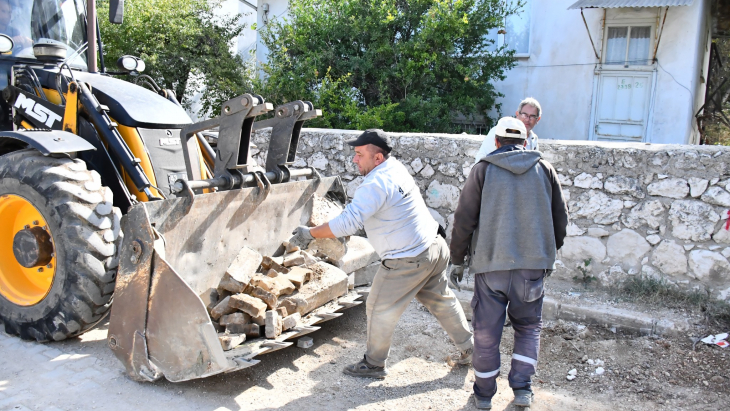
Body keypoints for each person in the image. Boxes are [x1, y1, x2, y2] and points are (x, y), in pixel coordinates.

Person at [289, 129, 474, 379]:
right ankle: (470, 349)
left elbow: (347, 224)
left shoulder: (375, 183)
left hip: (408, 258)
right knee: (442, 301)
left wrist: (310, 233)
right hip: (434, 246)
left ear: (378, 158)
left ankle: (374, 364)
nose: (354, 159)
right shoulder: (395, 167)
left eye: (359, 154)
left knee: (378, 307)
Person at [449, 117, 568, 409]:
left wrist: (457, 259)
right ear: (525, 143)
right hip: (531, 268)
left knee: (487, 331)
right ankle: (522, 390)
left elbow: (464, 219)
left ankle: (484, 395)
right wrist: (546, 254)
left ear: (497, 142)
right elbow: (560, 218)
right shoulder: (544, 169)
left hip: (491, 267)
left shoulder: (484, 170)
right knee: (528, 327)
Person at [473, 97, 542, 163]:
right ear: (517, 114)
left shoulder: (533, 139)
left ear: (538, 119)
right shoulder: (498, 131)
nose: (527, 119)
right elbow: (482, 161)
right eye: (524, 114)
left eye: (532, 116)